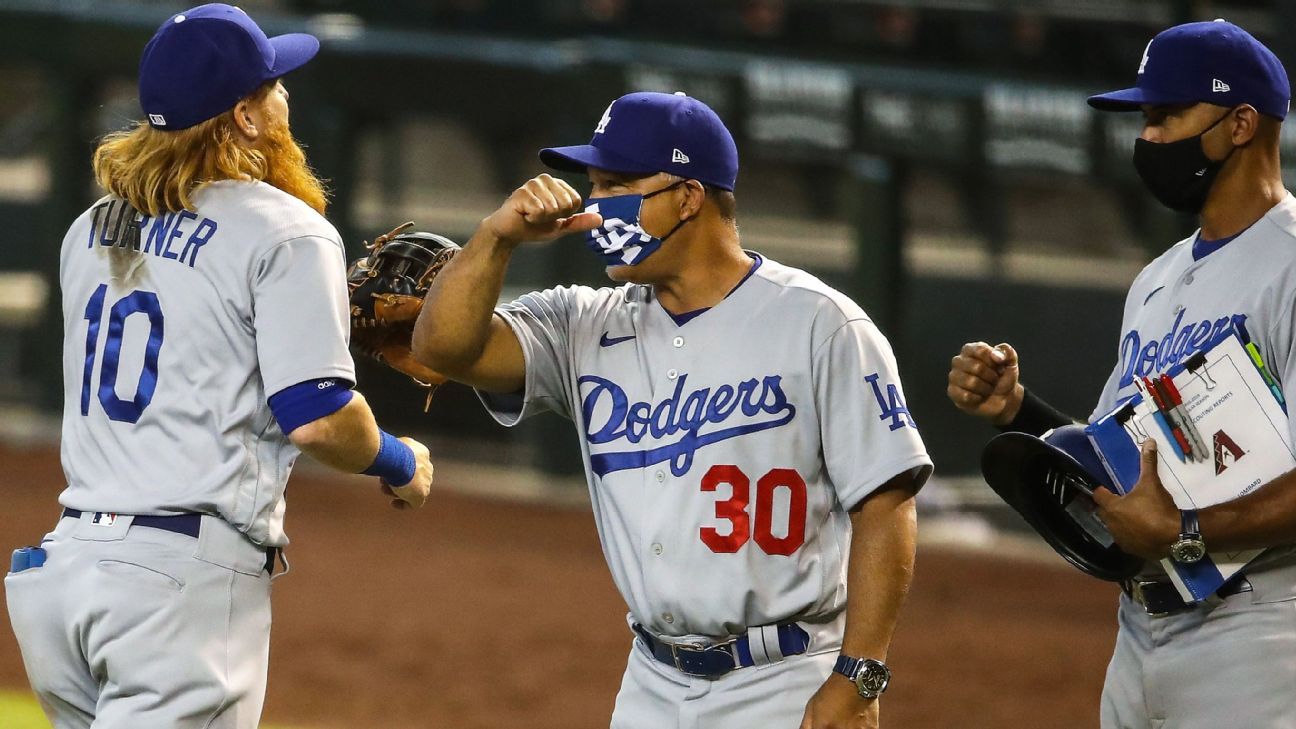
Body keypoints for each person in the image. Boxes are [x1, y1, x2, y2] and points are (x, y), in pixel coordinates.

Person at [412, 91, 932, 729]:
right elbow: (443, 350)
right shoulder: (583, 322)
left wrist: (860, 676)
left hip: (785, 677)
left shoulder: (820, 323)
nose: (594, 206)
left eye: (617, 184)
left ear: (688, 197)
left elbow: (886, 504)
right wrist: (496, 237)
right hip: (650, 683)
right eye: (593, 184)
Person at [3, 5, 434, 728]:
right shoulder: (287, 231)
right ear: (245, 116)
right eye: (273, 86)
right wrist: (399, 461)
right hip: (175, 590)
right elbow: (320, 421)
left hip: (63, 575)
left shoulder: (90, 229)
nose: (285, 98)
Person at [947, 20, 1296, 729]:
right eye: (1145, 118)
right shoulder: (1157, 280)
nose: (1149, 136)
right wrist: (1018, 410)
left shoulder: (1289, 263)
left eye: (1167, 115)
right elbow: (1118, 462)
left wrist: (1186, 528)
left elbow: (1171, 518)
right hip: (1140, 629)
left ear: (1241, 124)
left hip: (1260, 626)